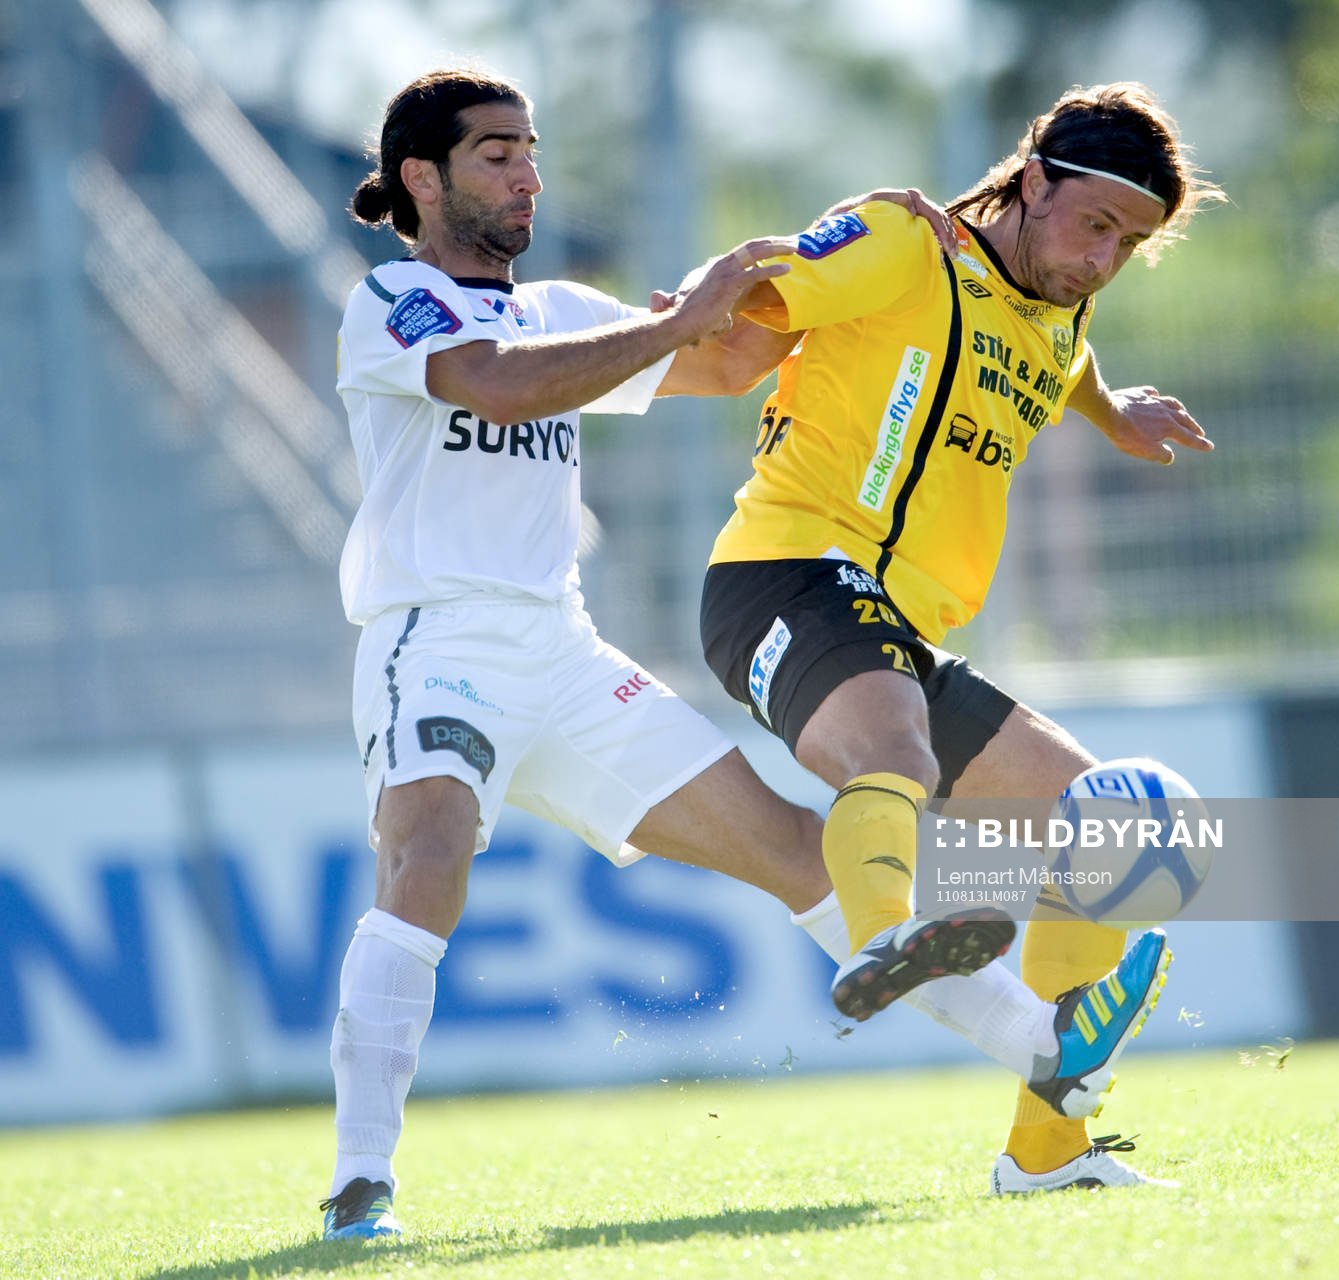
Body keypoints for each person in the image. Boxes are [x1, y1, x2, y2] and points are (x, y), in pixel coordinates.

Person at [320, 68, 1172, 1240]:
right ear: (422, 178)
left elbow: (727, 360)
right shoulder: (394, 302)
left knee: (796, 849)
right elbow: (493, 388)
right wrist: (687, 315)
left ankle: (1048, 1057)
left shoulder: (563, 309)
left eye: (530, 150)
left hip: (563, 653)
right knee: (428, 858)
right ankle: (360, 1183)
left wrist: (873, 256)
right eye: (494, 154)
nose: (526, 174)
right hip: (435, 636)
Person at [700, 81, 1222, 1193]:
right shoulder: (904, 242)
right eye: (1094, 223)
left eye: (1130, 244)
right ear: (1031, 180)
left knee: (1122, 823)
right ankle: (883, 934)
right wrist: (705, 300)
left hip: (897, 631)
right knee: (892, 745)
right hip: (782, 572)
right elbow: (753, 299)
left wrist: (1115, 411)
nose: (1102, 260)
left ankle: (1045, 1154)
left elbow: (1055, 356)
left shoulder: (1058, 301)